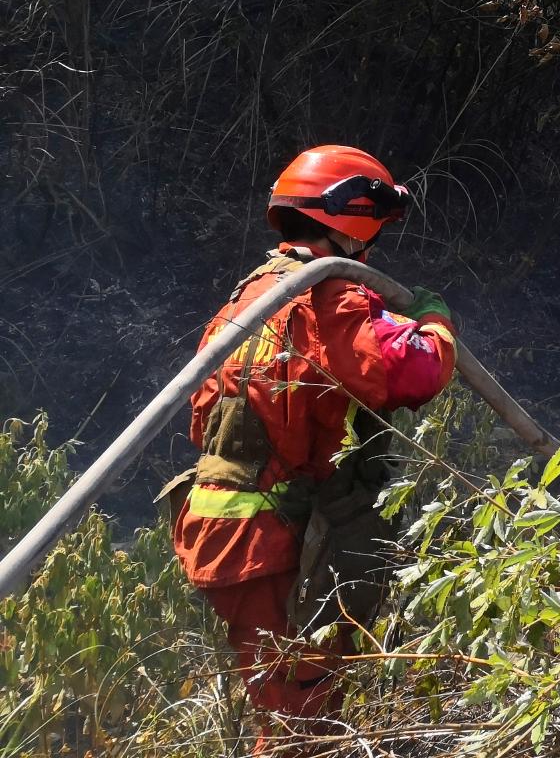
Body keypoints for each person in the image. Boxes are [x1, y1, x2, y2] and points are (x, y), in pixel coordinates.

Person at [169, 144, 457, 749]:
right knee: (303, 719)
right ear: (352, 221)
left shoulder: (251, 297)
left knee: (298, 703)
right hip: (261, 537)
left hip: (234, 531)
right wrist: (434, 320)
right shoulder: (326, 297)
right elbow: (415, 370)